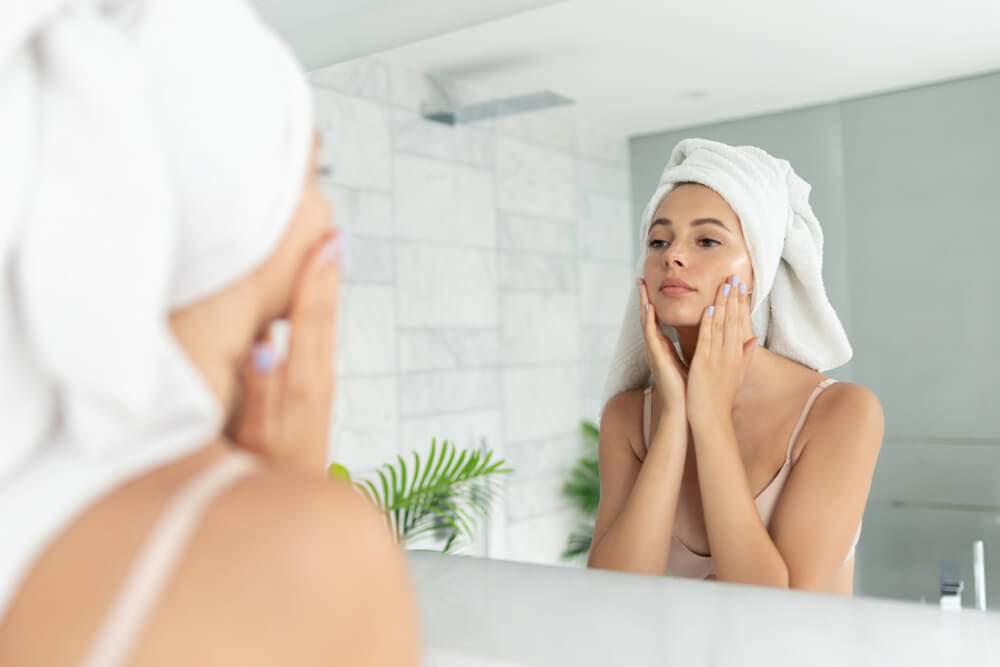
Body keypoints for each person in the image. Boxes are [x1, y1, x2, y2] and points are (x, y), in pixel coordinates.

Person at [0, 1, 419, 664]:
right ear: (244, 214)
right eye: (314, 175)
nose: (327, 212)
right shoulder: (317, 551)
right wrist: (289, 506)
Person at [588, 139, 884, 594]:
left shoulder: (841, 413)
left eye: (707, 240)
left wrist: (709, 422)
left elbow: (776, 607)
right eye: (658, 240)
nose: (673, 255)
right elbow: (611, 595)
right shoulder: (629, 419)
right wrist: (673, 422)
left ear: (758, 267)